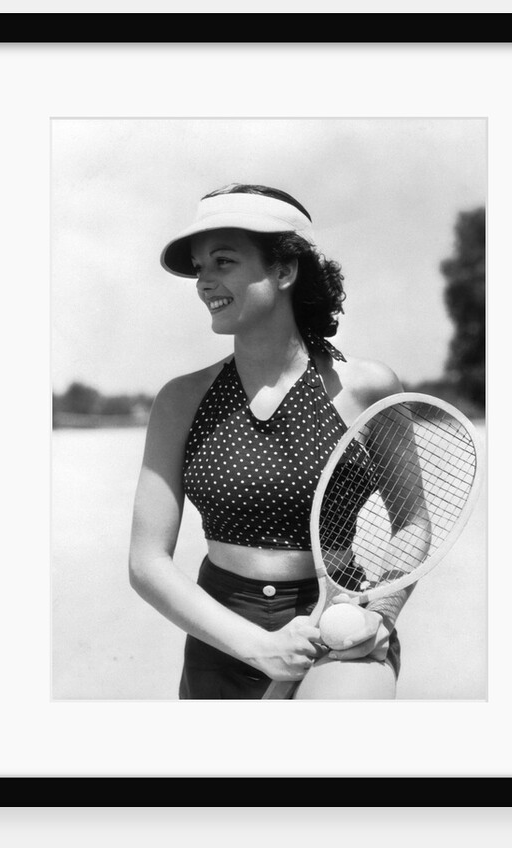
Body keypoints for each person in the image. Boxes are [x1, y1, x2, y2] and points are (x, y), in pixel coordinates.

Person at [129, 183, 419, 699]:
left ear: (284, 271)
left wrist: (383, 612)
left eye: (223, 261)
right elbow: (147, 562)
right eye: (199, 267)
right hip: (218, 628)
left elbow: (413, 520)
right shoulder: (180, 400)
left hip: (338, 626)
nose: (204, 282)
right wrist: (256, 645)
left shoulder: (368, 389)